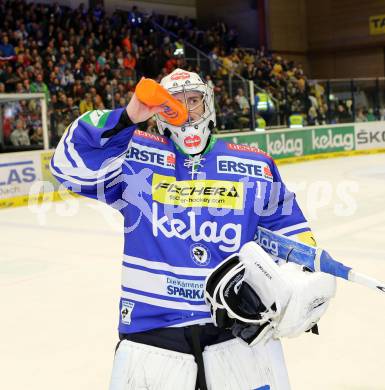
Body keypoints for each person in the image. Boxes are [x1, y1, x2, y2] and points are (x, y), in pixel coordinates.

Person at [50, 68, 335, 389]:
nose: (186, 109)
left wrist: (298, 286)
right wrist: (128, 117)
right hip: (152, 335)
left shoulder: (255, 165)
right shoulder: (134, 154)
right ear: (160, 111)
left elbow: (291, 235)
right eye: (176, 101)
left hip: (237, 336)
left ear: (208, 104)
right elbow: (68, 165)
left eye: (194, 100)